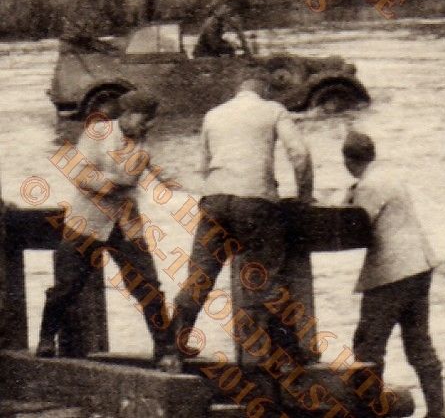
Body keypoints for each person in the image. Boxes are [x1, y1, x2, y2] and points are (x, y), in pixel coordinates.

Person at [169, 75, 313, 363]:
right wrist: (304, 194)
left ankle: (174, 347)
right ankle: (284, 354)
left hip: (214, 200)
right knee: (264, 275)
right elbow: (299, 154)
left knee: (200, 276)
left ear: (238, 91)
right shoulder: (273, 110)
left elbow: (202, 166)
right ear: (265, 91)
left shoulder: (213, 114)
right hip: (255, 201)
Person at [37, 91, 176, 368]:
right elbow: (80, 174)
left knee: (148, 286)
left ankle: (165, 350)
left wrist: (209, 186)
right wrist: (114, 182)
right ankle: (46, 339)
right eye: (144, 120)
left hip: (126, 224)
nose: (148, 126)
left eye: (151, 121)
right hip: (87, 221)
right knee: (67, 286)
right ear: (127, 114)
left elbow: (167, 174)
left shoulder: (146, 141)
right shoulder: (97, 132)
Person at [343, 131, 445, 418]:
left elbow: (354, 227)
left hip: (392, 272)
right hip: (419, 265)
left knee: (368, 346)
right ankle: (438, 412)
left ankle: (369, 411)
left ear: (348, 161)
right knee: (419, 344)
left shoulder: (369, 185)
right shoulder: (389, 176)